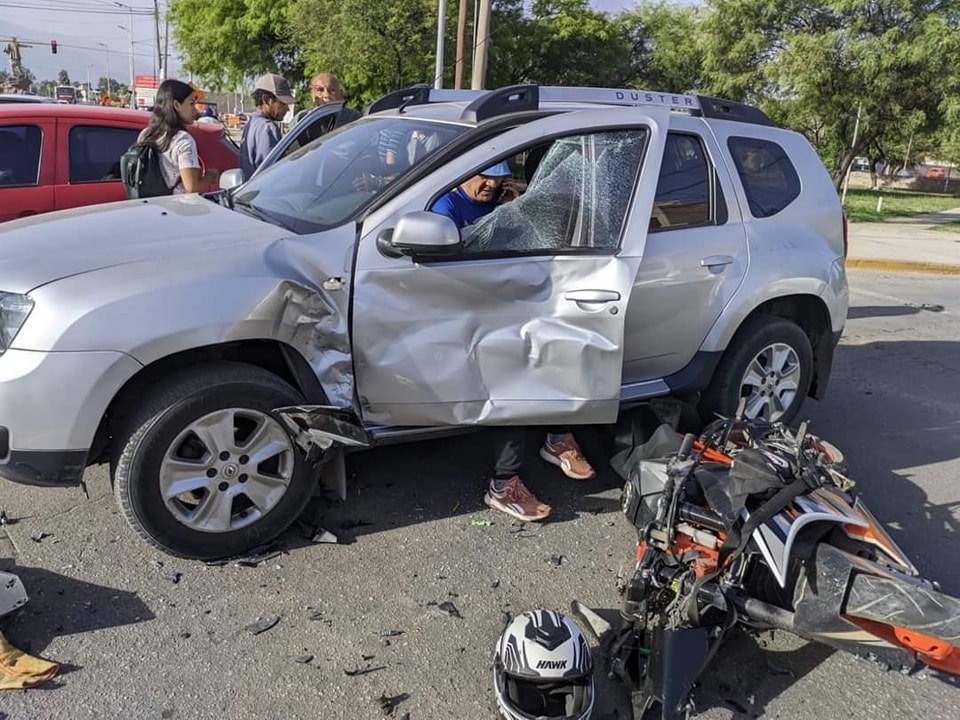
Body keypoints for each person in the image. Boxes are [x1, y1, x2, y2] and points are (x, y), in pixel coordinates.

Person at [429, 161, 597, 523]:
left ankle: (557, 436)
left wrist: (518, 211)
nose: (491, 183)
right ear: (462, 174)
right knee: (513, 372)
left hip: (508, 300)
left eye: (499, 176)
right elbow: (459, 260)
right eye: (484, 175)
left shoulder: (501, 201)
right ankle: (504, 484)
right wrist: (502, 218)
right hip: (465, 310)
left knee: (558, 343)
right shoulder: (445, 207)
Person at [136, 79, 219, 193]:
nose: (195, 110)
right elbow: (192, 187)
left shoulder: (146, 134)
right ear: (176, 105)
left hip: (153, 204)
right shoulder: (182, 140)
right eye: (191, 104)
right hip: (177, 207)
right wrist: (210, 177)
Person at [240, 73, 296, 180]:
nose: (287, 109)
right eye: (283, 103)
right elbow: (273, 174)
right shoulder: (268, 128)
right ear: (266, 100)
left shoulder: (251, 124)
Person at [293, 72, 362, 126]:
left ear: (340, 94)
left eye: (332, 90)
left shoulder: (352, 118)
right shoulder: (303, 119)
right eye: (320, 90)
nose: (326, 95)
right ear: (313, 95)